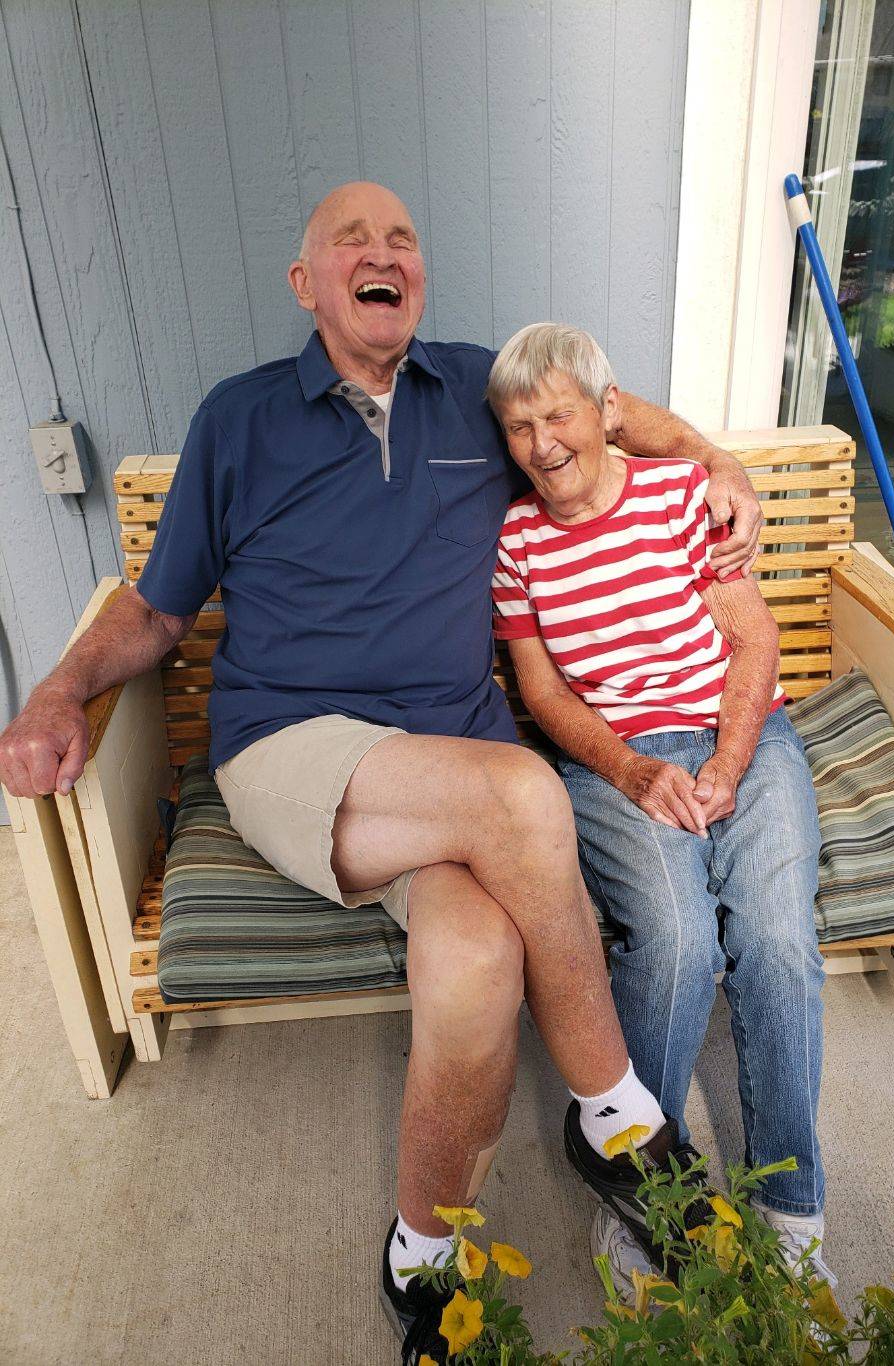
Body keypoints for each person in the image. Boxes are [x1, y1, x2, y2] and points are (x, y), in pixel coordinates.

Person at [0, 184, 765, 1362]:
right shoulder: (240, 418)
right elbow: (156, 615)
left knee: (475, 964)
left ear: (419, 278)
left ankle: (423, 1261)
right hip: (296, 749)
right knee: (521, 794)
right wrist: (58, 687)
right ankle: (618, 1119)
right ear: (306, 285)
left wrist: (715, 461)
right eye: (350, 240)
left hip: (445, 750)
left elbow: (606, 415)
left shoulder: (476, 388)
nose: (381, 253)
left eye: (401, 237)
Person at [488, 322, 832, 1292]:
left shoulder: (687, 498)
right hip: (611, 763)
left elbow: (753, 641)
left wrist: (727, 761)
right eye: (517, 426)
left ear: (606, 413)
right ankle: (647, 1191)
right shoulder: (515, 543)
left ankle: (793, 1214)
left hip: (746, 736)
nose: (541, 442)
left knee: (774, 940)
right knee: (679, 942)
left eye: (557, 413)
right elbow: (545, 694)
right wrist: (636, 770)